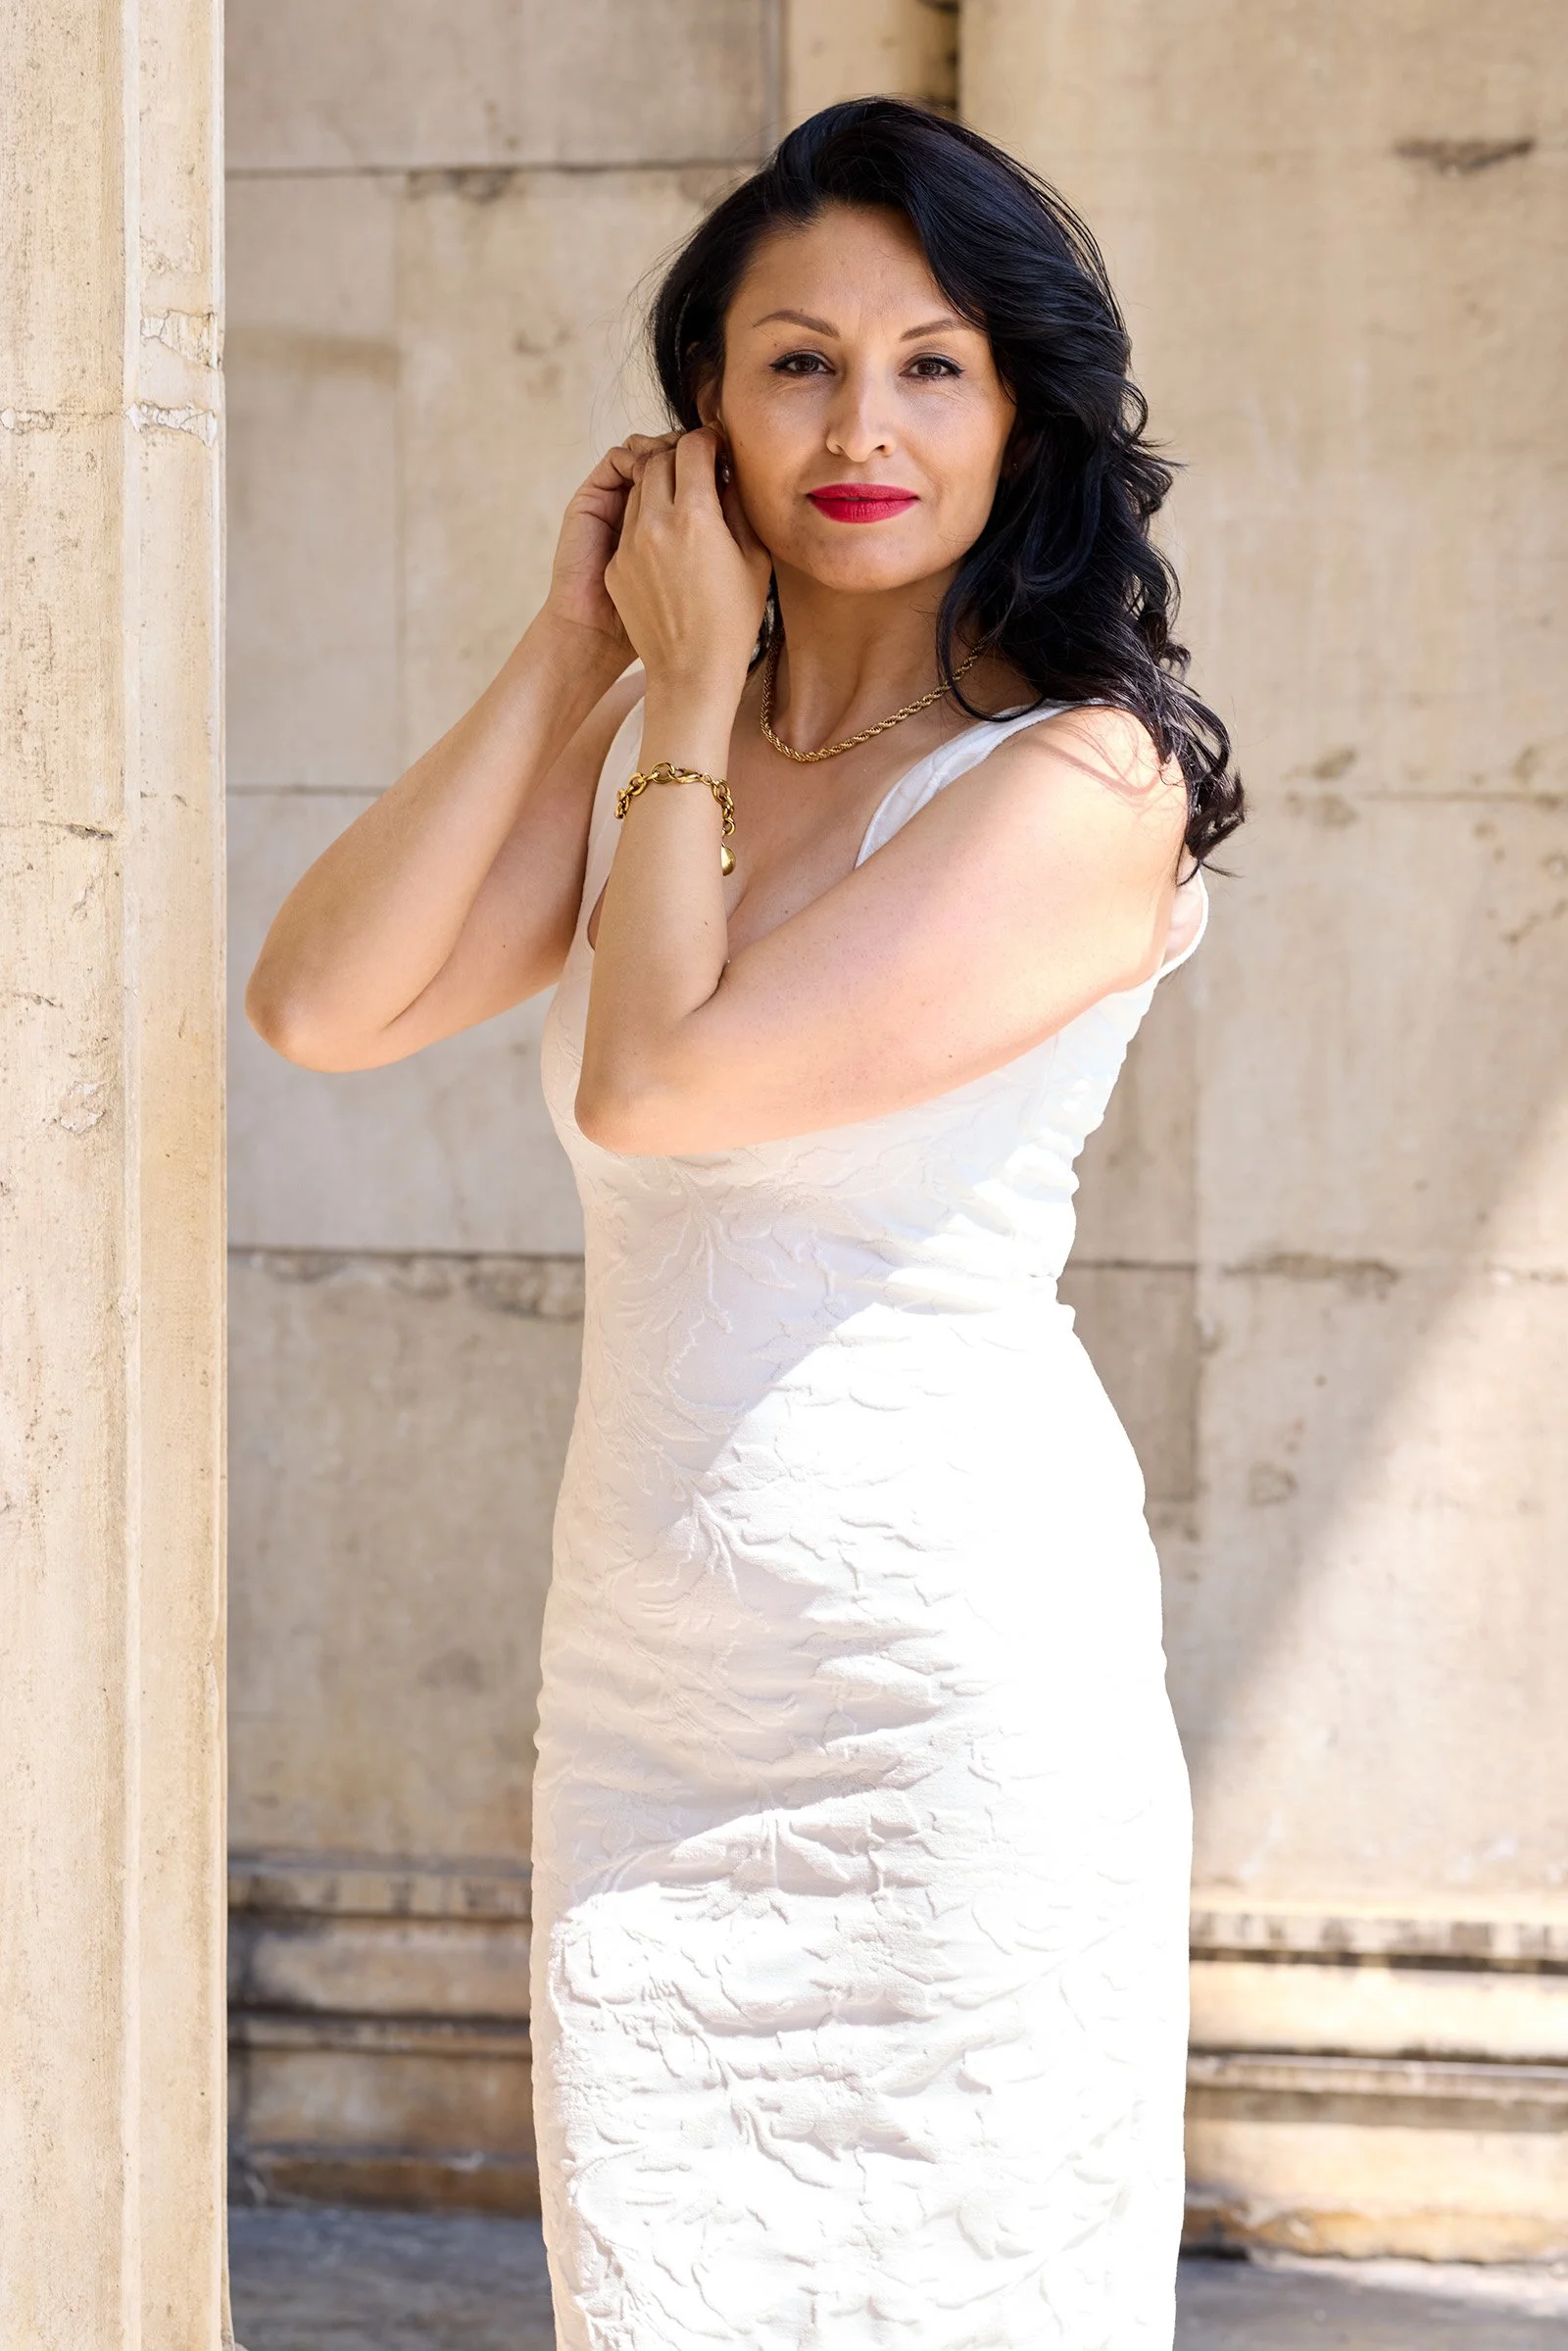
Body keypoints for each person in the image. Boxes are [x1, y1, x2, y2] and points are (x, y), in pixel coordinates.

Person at [247, 96, 1242, 2351]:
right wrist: (581, 641)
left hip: (944, 1711)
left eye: (930, 362)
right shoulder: (659, 758)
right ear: (699, 419)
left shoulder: (1085, 781)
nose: (860, 422)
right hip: (647, 1709)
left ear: (1023, 414)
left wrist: (686, 693)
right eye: (794, 361)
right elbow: (320, 1000)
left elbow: (659, 1079)